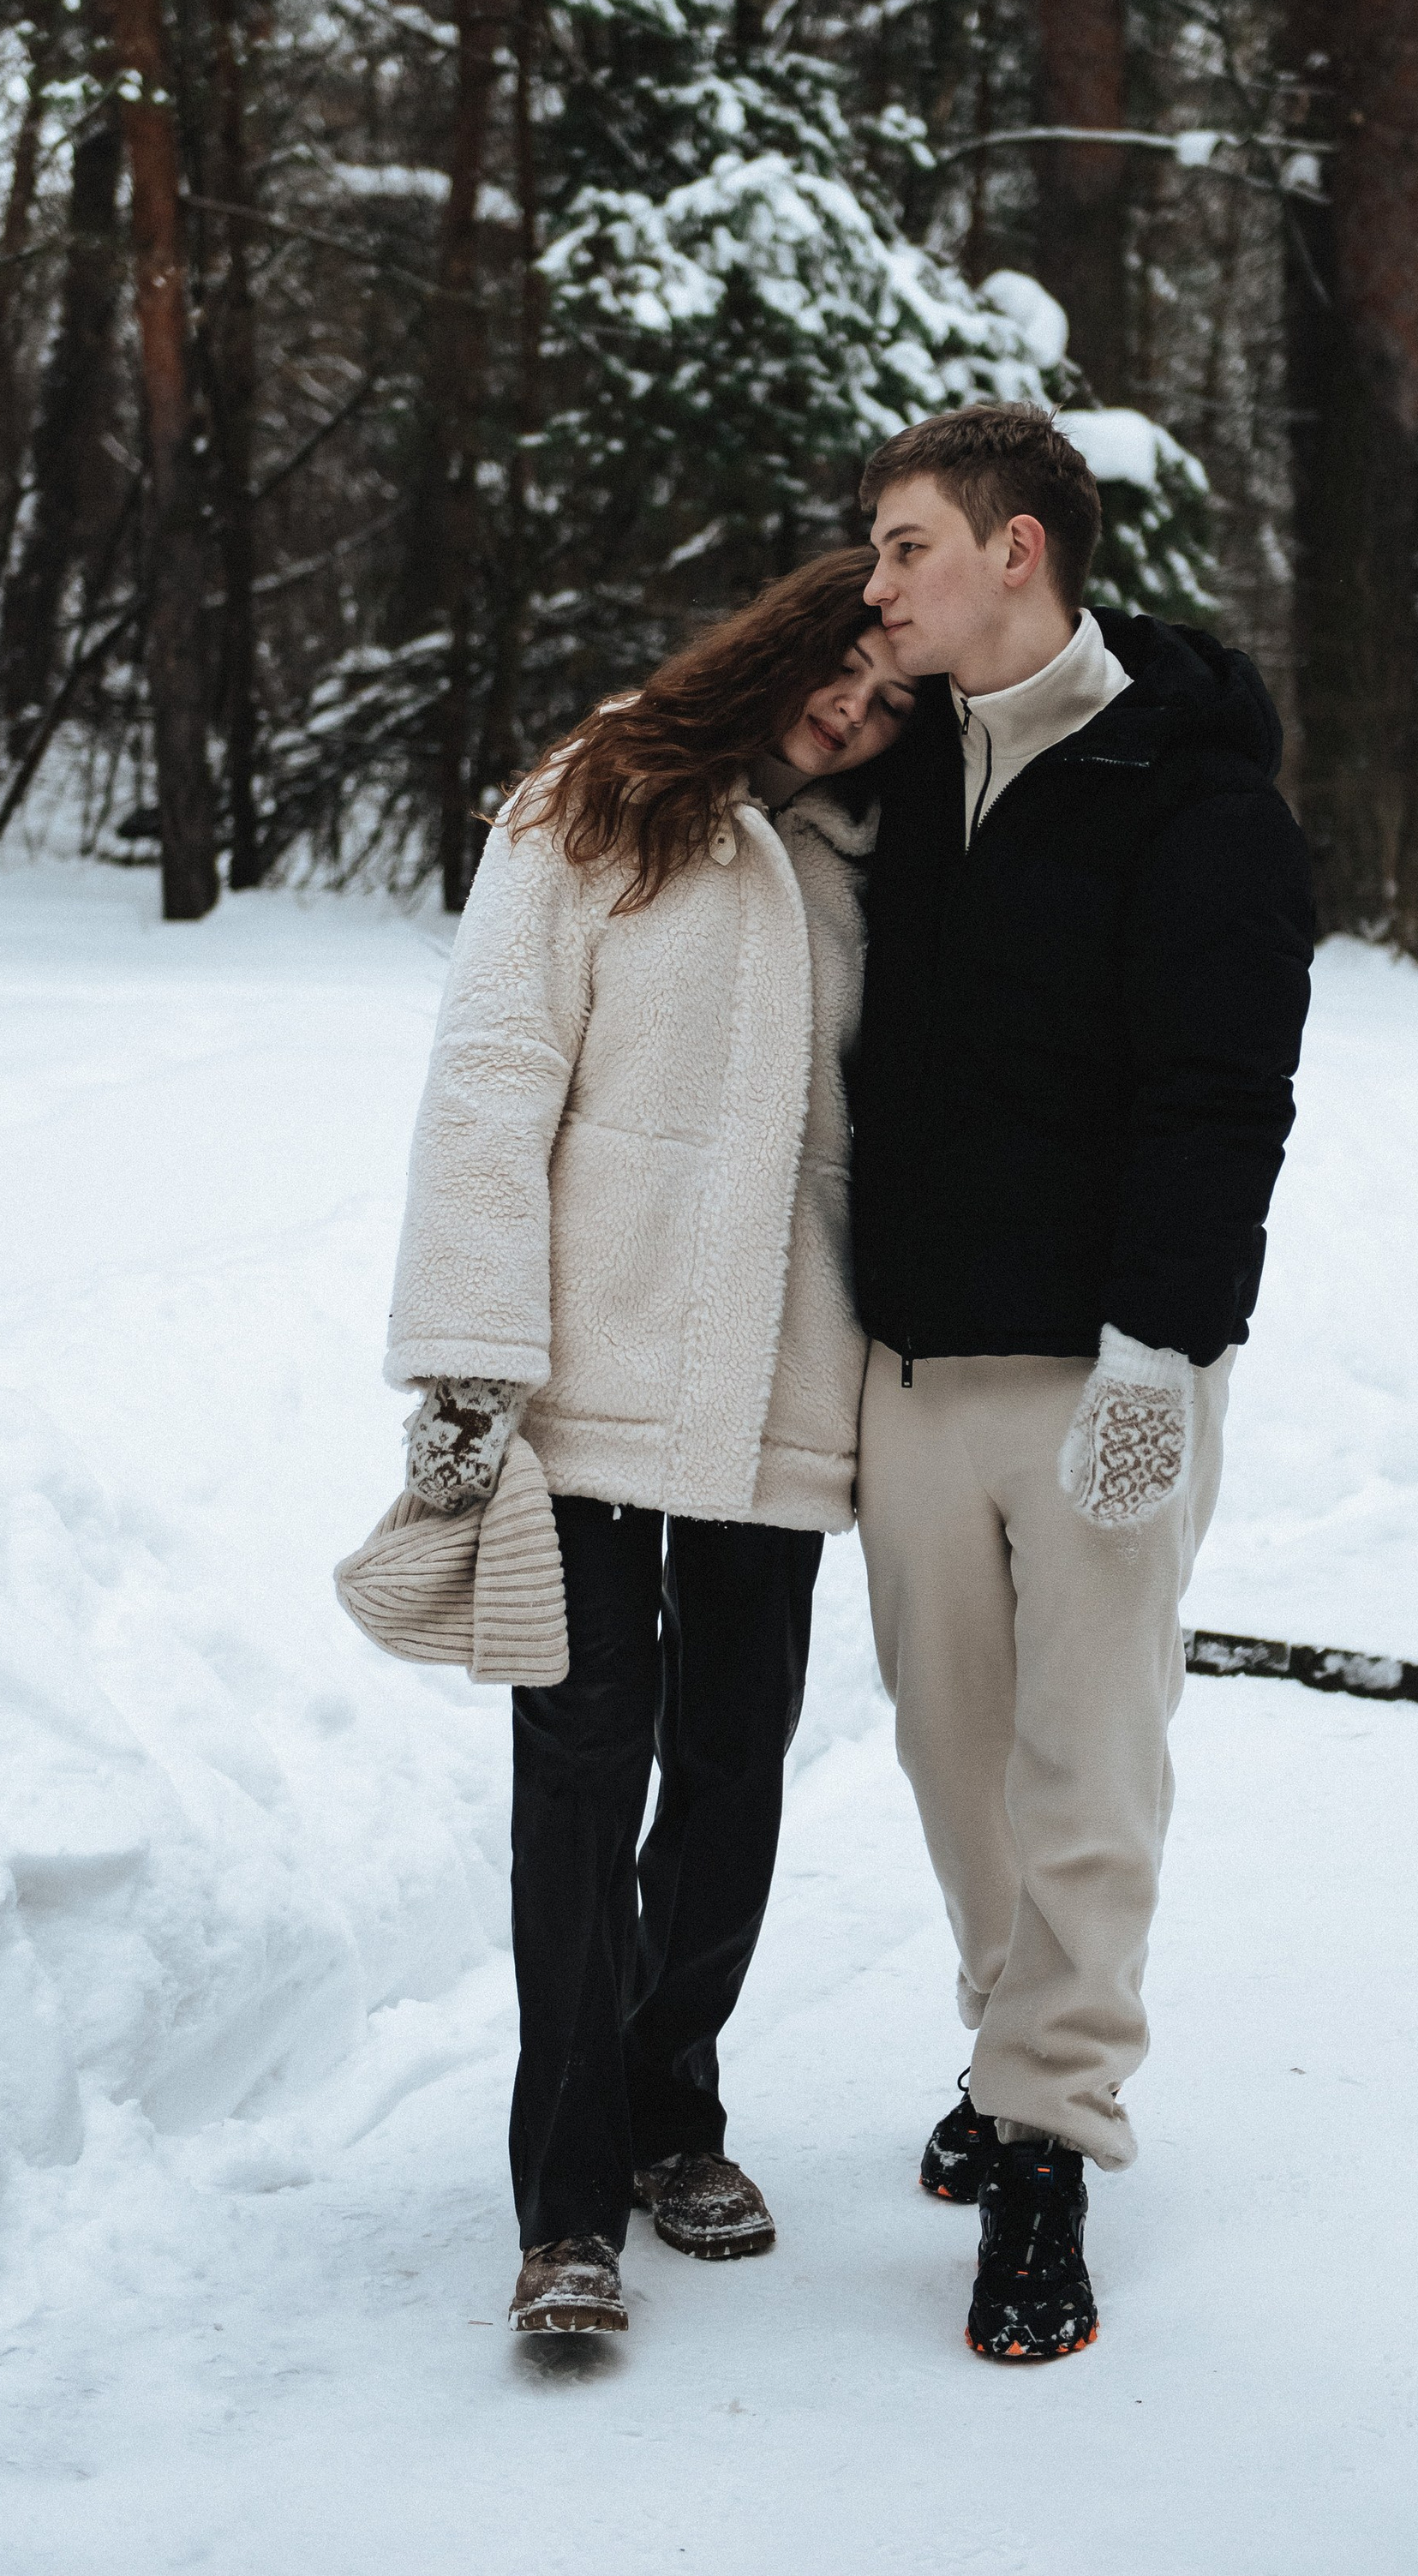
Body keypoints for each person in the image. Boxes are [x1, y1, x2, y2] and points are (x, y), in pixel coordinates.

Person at [382, 552, 917, 2339]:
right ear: (778, 644)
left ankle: (672, 2103)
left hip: (781, 1385)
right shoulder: (594, 802)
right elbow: (490, 1076)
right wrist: (468, 1361)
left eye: (894, 699)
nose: (854, 713)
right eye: (841, 674)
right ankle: (564, 2204)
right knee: (581, 1771)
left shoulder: (876, 864)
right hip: (593, 1373)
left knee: (733, 1765)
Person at [851, 402, 1314, 2363]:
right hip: (913, 1364)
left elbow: (1222, 1100)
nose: (873, 586)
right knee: (954, 1760)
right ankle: (1000, 2036)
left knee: (1084, 1766)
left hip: (1101, 1373)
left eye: (901, 548)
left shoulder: (1184, 799)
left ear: (1016, 550)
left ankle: (1044, 2137)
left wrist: (1159, 1351)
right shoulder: (896, 772)